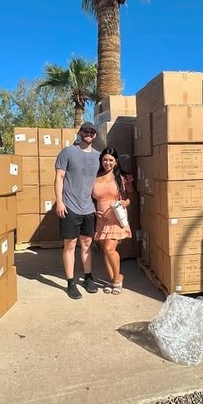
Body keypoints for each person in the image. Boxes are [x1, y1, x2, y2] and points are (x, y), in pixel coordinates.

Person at [55, 122, 101, 299]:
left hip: (89, 207)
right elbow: (59, 178)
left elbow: (109, 173)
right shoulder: (68, 152)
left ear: (94, 135)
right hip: (70, 206)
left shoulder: (98, 156)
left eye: (91, 132)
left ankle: (88, 278)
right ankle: (71, 282)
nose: (88, 134)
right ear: (80, 133)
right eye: (85, 131)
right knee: (70, 244)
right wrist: (59, 202)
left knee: (88, 244)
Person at [92, 147, 134, 295]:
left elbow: (131, 194)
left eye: (110, 160)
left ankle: (118, 278)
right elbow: (91, 198)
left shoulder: (122, 177)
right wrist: (94, 211)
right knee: (105, 250)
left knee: (110, 248)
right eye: (105, 159)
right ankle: (112, 279)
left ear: (116, 162)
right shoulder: (96, 177)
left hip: (117, 218)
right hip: (101, 219)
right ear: (101, 161)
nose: (107, 162)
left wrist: (126, 203)